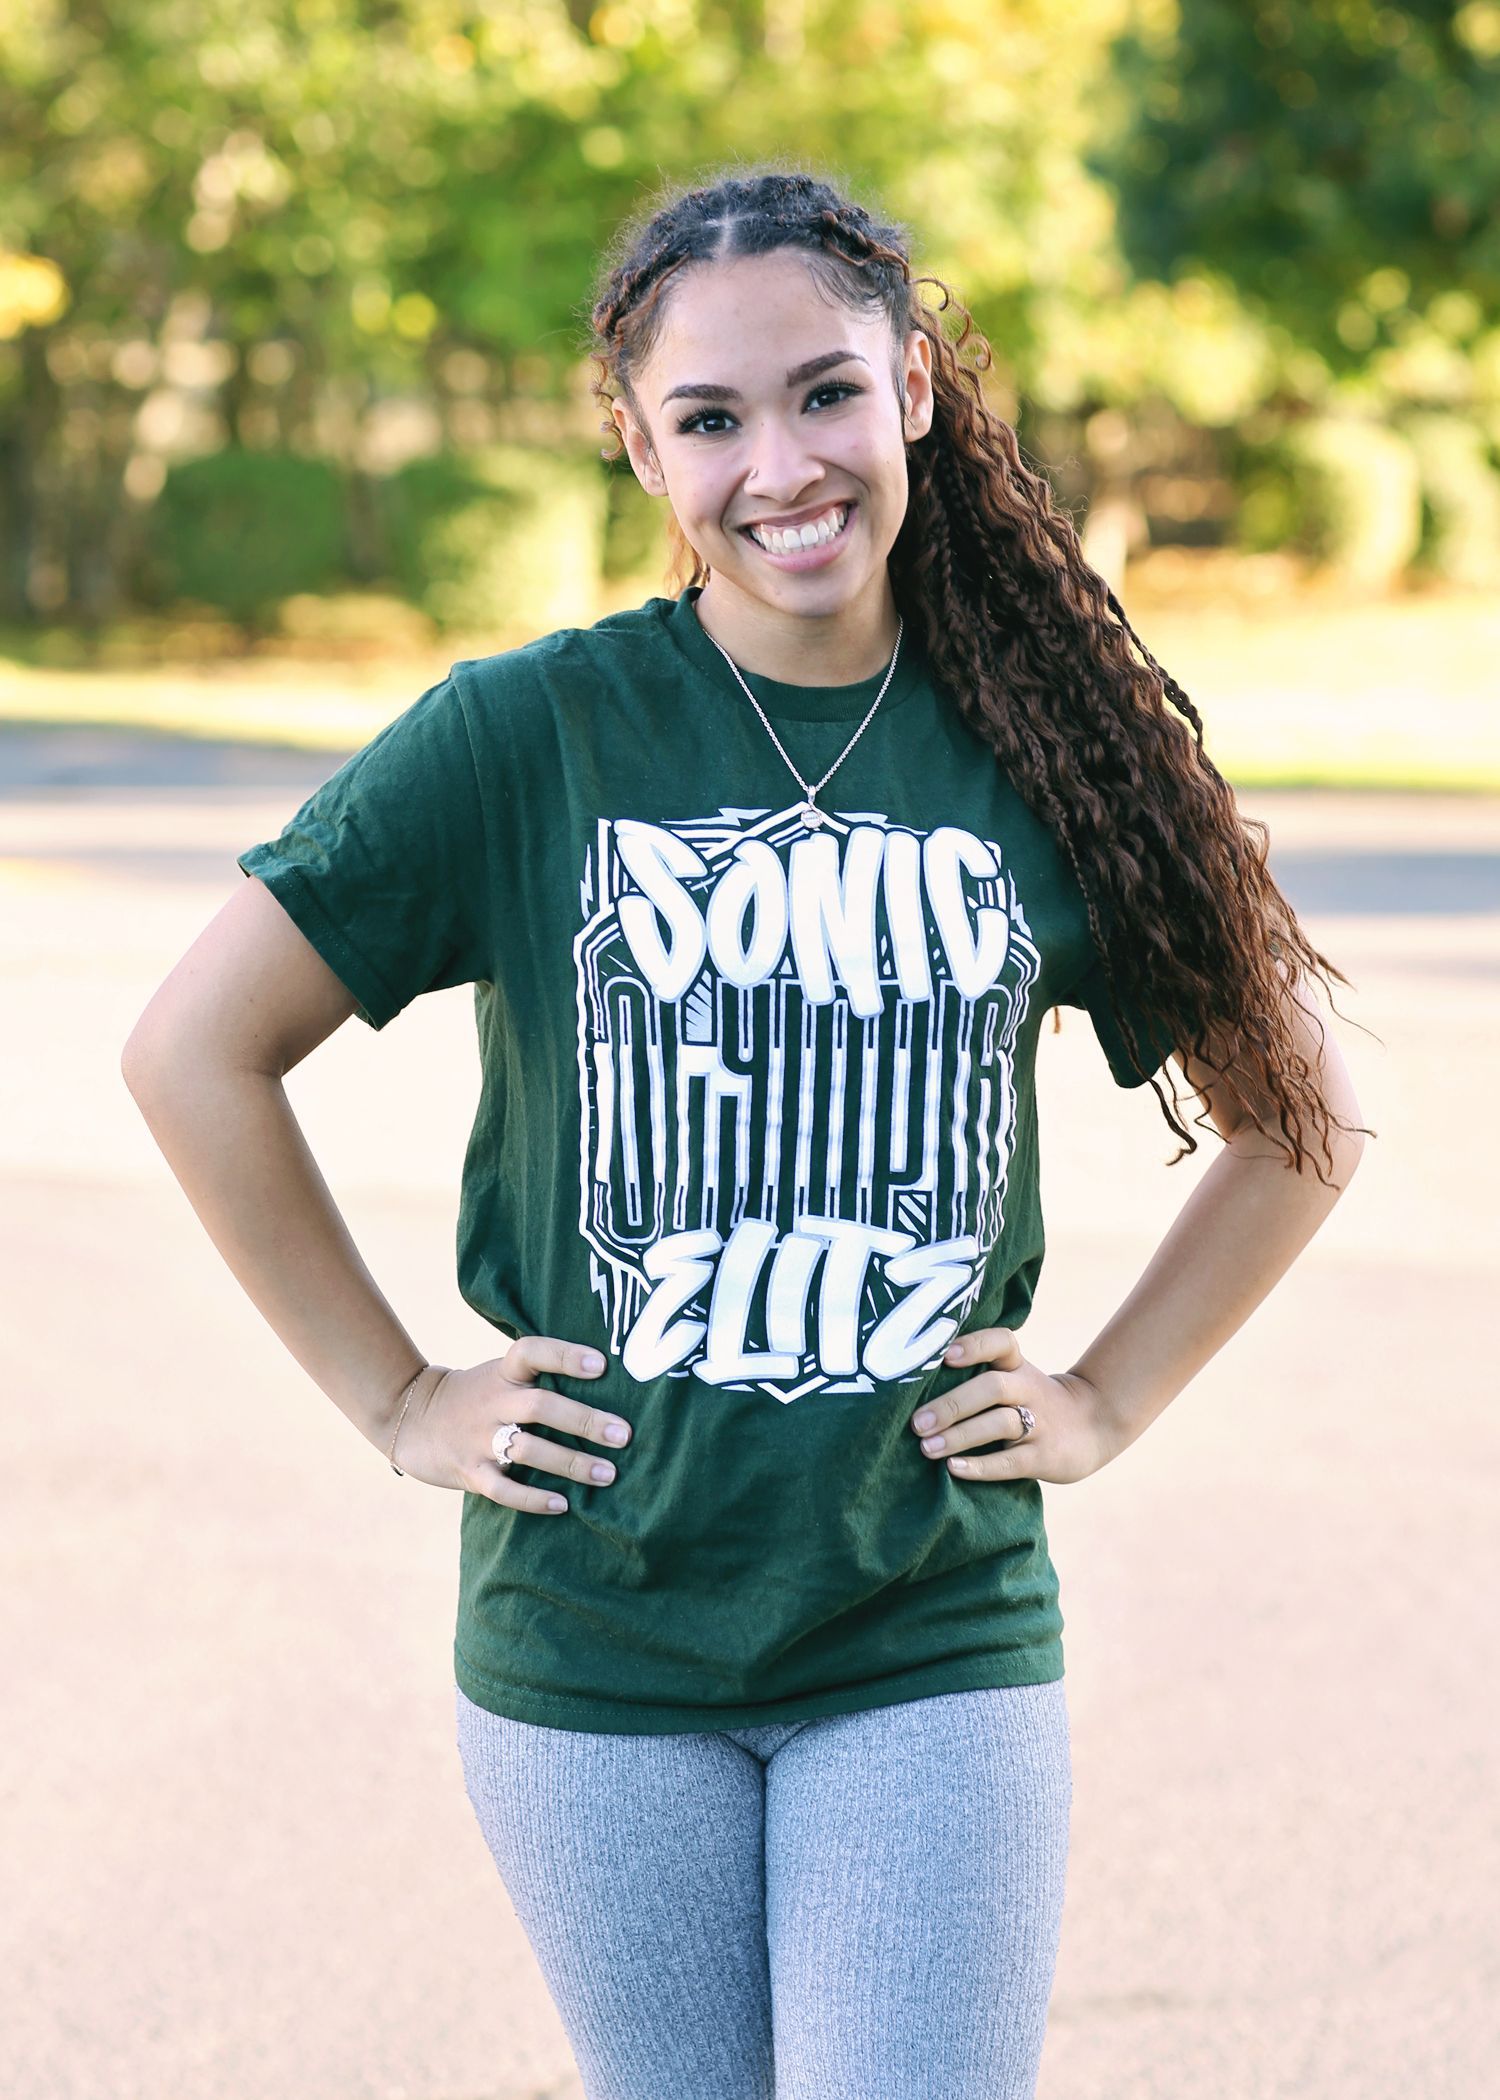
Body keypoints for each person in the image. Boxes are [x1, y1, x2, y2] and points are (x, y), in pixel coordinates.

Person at [120, 164, 1372, 2100]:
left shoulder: (1047, 750)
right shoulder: (530, 735)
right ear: (635, 445)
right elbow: (195, 1049)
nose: (779, 463)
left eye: (825, 394)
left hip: (923, 1623)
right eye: (709, 418)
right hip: (593, 1648)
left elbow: (1305, 1119)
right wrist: (396, 1401)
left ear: (919, 394)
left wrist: (1111, 1397)